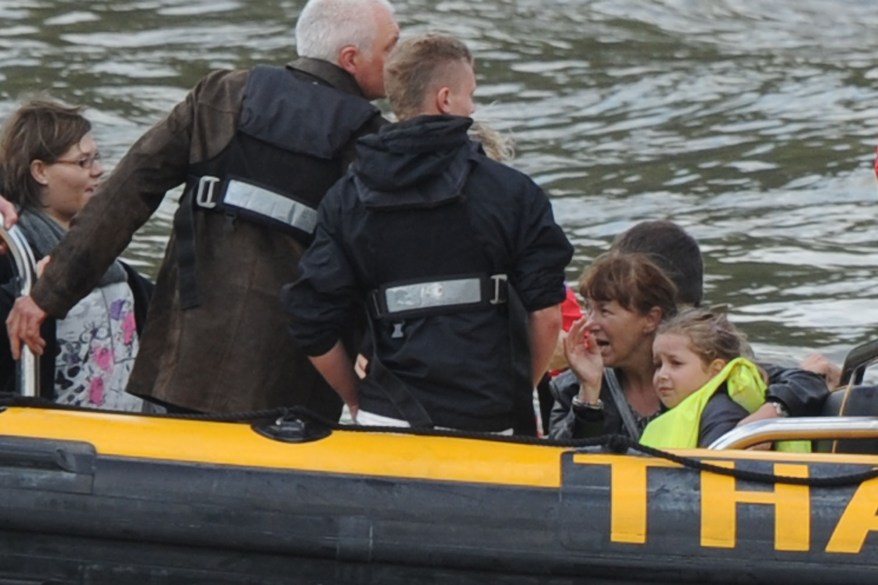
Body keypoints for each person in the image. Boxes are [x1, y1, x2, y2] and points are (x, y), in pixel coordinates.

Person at [5, 0, 400, 416]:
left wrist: (46, 296)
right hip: (295, 385)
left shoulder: (220, 96)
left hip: (187, 362)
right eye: (391, 47)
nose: (399, 60)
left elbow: (126, 193)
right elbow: (386, 263)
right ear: (350, 59)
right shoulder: (374, 144)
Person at [282, 33, 573, 432]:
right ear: (445, 99)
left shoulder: (346, 197)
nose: (473, 107)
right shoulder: (511, 193)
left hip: (384, 414)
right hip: (488, 417)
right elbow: (547, 317)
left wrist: (357, 399)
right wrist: (518, 392)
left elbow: (309, 317)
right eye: (470, 95)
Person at [548, 251, 828, 440]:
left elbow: (805, 381)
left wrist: (767, 417)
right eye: (588, 309)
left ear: (650, 319)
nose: (589, 323)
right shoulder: (570, 388)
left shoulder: (707, 367)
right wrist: (589, 395)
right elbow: (565, 468)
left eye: (605, 311)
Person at [0, 100, 151, 410]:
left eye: (97, 158)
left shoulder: (112, 265)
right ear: (40, 171)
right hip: (57, 438)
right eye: (83, 162)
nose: (99, 171)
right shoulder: (13, 259)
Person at [641, 308, 806, 450]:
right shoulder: (680, 409)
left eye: (676, 363)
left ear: (716, 370)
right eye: (658, 364)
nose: (662, 374)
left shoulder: (722, 414)